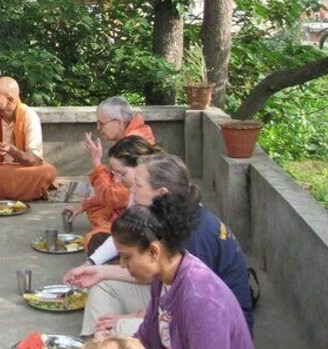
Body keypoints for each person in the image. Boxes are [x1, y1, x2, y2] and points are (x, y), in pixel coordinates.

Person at [64, 154, 253, 339]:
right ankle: (95, 342)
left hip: (204, 324)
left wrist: (129, 320)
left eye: (137, 186)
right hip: (176, 309)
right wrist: (100, 270)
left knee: (116, 330)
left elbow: (186, 306)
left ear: (162, 193)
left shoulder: (198, 245)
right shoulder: (165, 261)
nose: (131, 192)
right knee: (105, 304)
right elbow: (150, 328)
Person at [111, 194, 254, 348]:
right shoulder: (162, 278)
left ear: (153, 252)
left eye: (126, 257)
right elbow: (145, 338)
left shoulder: (201, 300)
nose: (122, 264)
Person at [71, 136, 160, 254]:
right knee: (98, 240)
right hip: (136, 239)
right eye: (114, 173)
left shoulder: (155, 192)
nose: (117, 178)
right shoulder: (134, 190)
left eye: (122, 173)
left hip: (153, 251)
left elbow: (111, 196)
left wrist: (97, 162)